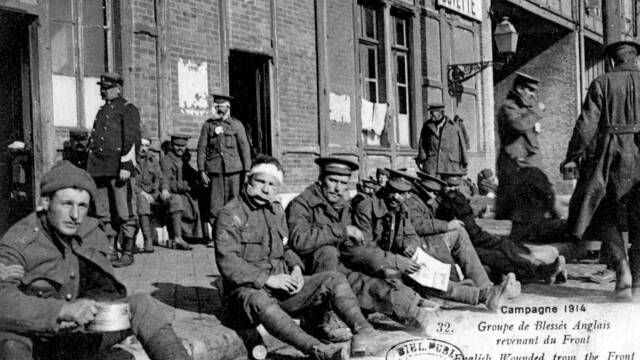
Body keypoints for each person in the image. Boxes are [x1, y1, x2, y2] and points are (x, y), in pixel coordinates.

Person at [0, 161, 190, 360]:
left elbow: (108, 290)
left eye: (82, 206)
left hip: (76, 335)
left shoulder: (89, 232)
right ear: (46, 202)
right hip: (37, 340)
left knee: (142, 304)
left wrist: (90, 304)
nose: (75, 215)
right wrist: (62, 310)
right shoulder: (20, 240)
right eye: (66, 204)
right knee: (10, 342)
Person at [215, 155, 399, 360]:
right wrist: (269, 279)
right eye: (260, 182)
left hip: (279, 288)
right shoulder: (230, 214)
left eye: (272, 185)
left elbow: (285, 247)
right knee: (260, 299)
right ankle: (319, 350)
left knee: (333, 278)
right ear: (248, 178)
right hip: (243, 294)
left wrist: (296, 269)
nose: (266, 190)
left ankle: (366, 332)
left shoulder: (275, 210)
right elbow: (228, 262)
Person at [286, 157, 434, 340]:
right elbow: (299, 241)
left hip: (341, 268)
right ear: (321, 179)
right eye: (332, 181)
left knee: (380, 290)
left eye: (343, 183)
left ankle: (424, 318)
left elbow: (353, 249)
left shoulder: (343, 207)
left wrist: (378, 263)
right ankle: (322, 318)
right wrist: (341, 231)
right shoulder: (301, 204)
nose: (337, 188)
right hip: (312, 274)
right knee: (327, 251)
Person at [348, 168, 517, 311]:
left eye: (404, 193)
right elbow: (366, 251)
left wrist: (410, 245)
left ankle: (485, 294)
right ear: (386, 187)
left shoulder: (400, 207)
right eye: (395, 191)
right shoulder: (366, 207)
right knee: (416, 278)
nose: (398, 198)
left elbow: (409, 234)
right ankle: (481, 294)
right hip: (375, 265)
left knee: (427, 274)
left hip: (394, 258)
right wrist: (398, 261)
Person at [561, 40, 640, 299]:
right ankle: (638, 281)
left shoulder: (602, 83)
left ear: (612, 60)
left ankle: (622, 269)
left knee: (601, 212)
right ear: (635, 59)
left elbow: (586, 124)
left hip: (610, 155)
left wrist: (573, 156)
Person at [430, 174, 566, 284]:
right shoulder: (439, 204)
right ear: (442, 185)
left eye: (455, 186)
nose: (453, 189)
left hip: (475, 236)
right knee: (498, 257)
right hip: (462, 244)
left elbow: (471, 217)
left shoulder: (457, 198)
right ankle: (542, 272)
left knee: (507, 245)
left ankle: (541, 268)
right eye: (449, 186)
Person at [86, 72, 141, 268]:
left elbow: (132, 139)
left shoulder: (127, 109)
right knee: (103, 212)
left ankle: (127, 251)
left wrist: (127, 166)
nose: (103, 91)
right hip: (99, 168)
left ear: (118, 88)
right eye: (102, 88)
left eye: (107, 88)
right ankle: (110, 250)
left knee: (124, 210)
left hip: (118, 168)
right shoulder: (102, 111)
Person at [197, 94, 252, 248]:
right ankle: (217, 237)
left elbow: (245, 148)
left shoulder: (236, 125)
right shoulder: (208, 126)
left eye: (221, 106)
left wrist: (247, 170)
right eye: (216, 106)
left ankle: (234, 236)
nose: (218, 109)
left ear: (228, 107)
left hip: (234, 170)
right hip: (214, 170)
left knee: (233, 203)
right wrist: (201, 169)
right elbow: (201, 148)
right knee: (215, 205)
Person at [134, 131, 170, 253]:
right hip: (137, 195)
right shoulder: (130, 160)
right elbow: (131, 183)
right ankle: (148, 241)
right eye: (141, 144)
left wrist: (164, 189)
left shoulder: (152, 159)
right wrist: (144, 194)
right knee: (142, 201)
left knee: (172, 200)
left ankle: (176, 237)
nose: (143, 148)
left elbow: (160, 178)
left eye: (146, 146)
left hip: (152, 194)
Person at [160, 134, 197, 250]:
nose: (180, 148)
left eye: (183, 146)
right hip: (170, 194)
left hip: (182, 193)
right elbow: (167, 182)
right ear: (171, 145)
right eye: (177, 145)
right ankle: (178, 237)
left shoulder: (183, 161)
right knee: (177, 201)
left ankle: (194, 236)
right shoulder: (166, 161)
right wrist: (185, 186)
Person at [417, 103, 468, 178]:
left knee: (448, 188)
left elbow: (462, 145)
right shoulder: (427, 126)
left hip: (449, 166)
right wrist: (422, 159)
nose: (431, 115)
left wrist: (464, 163)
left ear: (440, 113)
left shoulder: (454, 127)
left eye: (432, 113)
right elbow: (421, 143)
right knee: (431, 186)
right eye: (430, 113)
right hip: (432, 165)